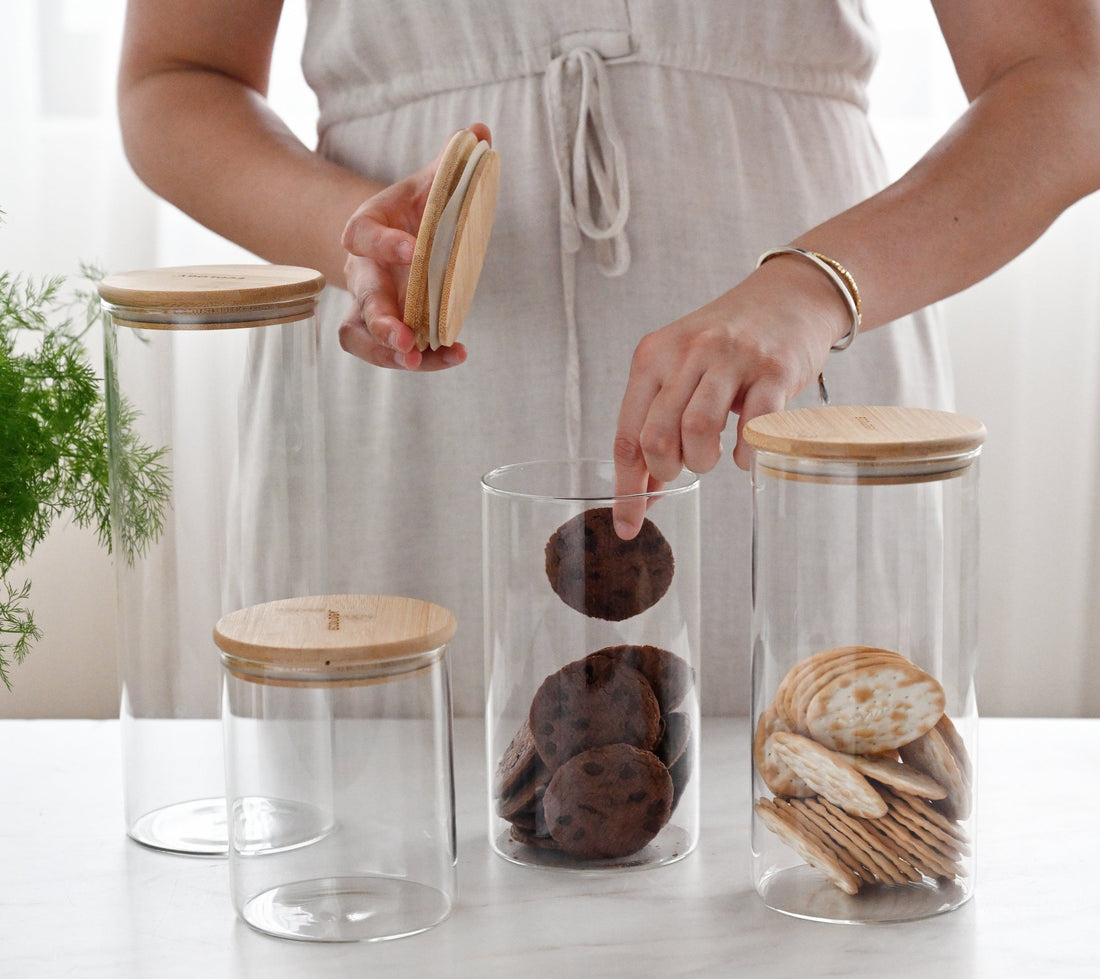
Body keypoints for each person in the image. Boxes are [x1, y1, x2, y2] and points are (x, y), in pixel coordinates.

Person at [116, 1, 1100, 716]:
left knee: (826, 862)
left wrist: (809, 286)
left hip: (792, 370)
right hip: (410, 399)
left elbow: (1063, 83)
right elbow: (175, 76)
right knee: (391, 876)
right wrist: (346, 234)